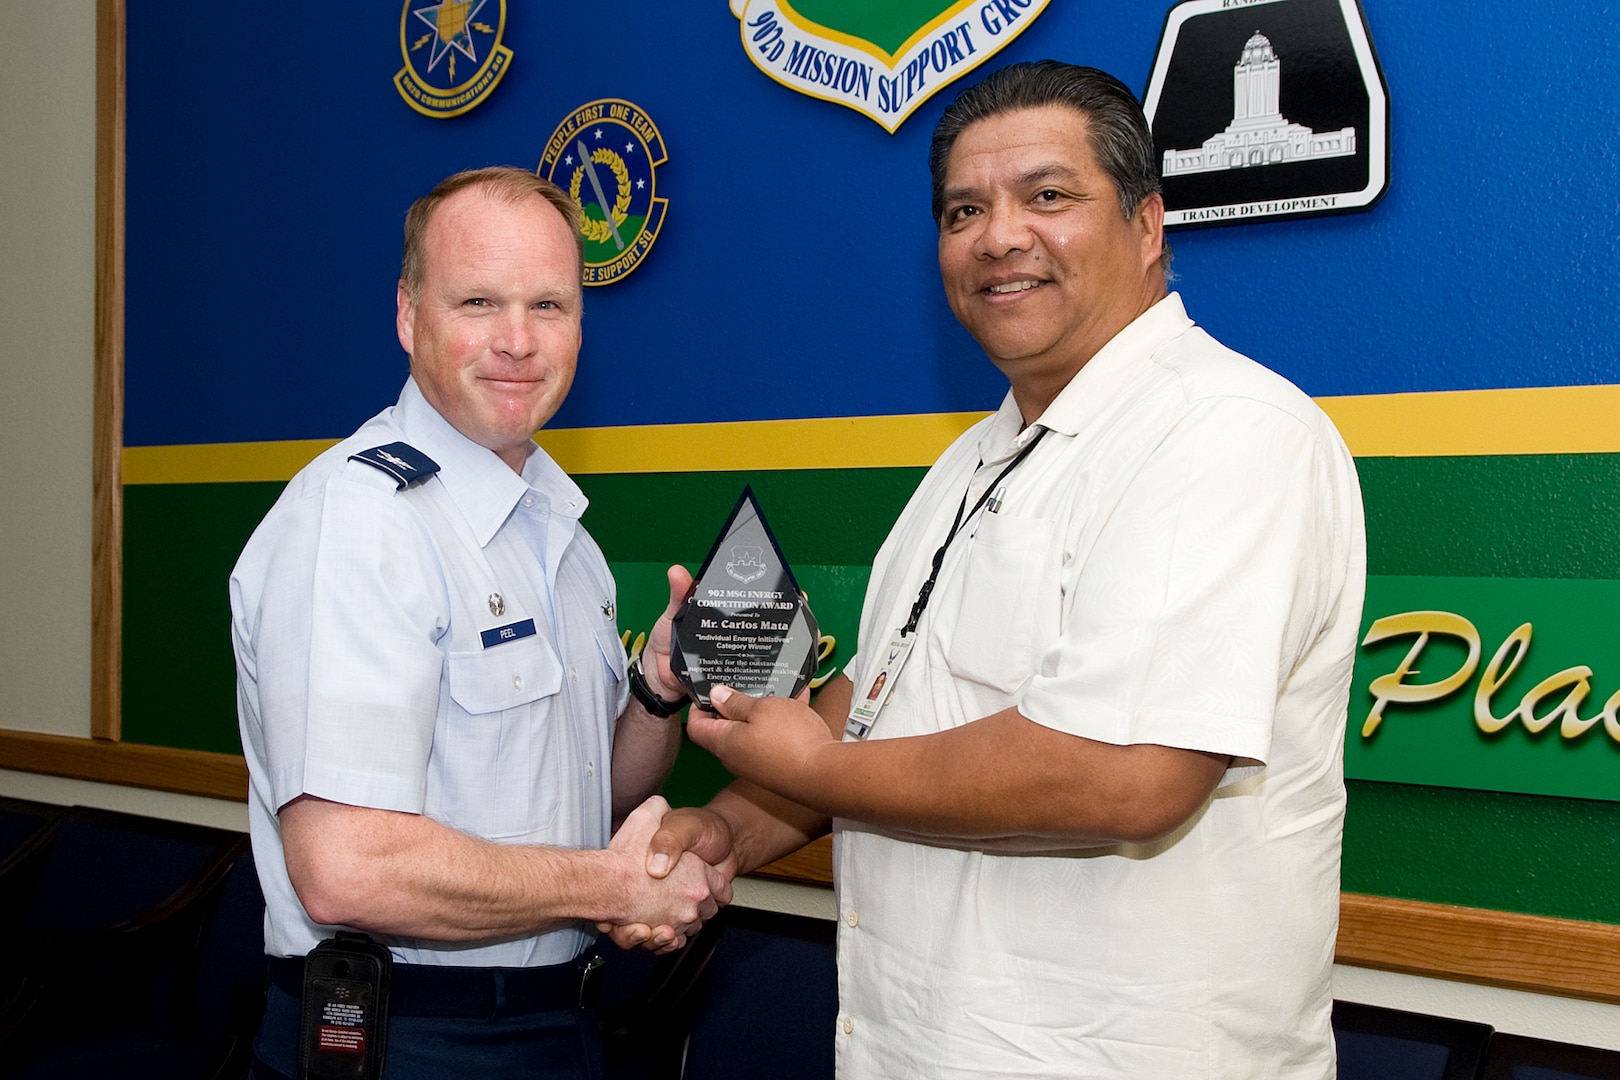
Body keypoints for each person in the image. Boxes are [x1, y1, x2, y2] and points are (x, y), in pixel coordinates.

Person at [628, 62, 1366, 1078]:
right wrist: (729, 829)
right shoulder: (972, 457)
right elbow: (886, 704)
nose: (999, 235)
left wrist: (814, 769)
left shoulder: (1224, 432)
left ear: (1149, 225)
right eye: (964, 209)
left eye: (1048, 196)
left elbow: (1126, 773)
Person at [229, 166, 725, 1080]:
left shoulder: (558, 533)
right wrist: (612, 886)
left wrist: (656, 691)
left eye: (549, 305)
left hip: (555, 1026)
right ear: (410, 316)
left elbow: (585, 802)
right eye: (478, 302)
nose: (518, 341)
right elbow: (349, 867)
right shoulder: (360, 519)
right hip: (404, 1040)